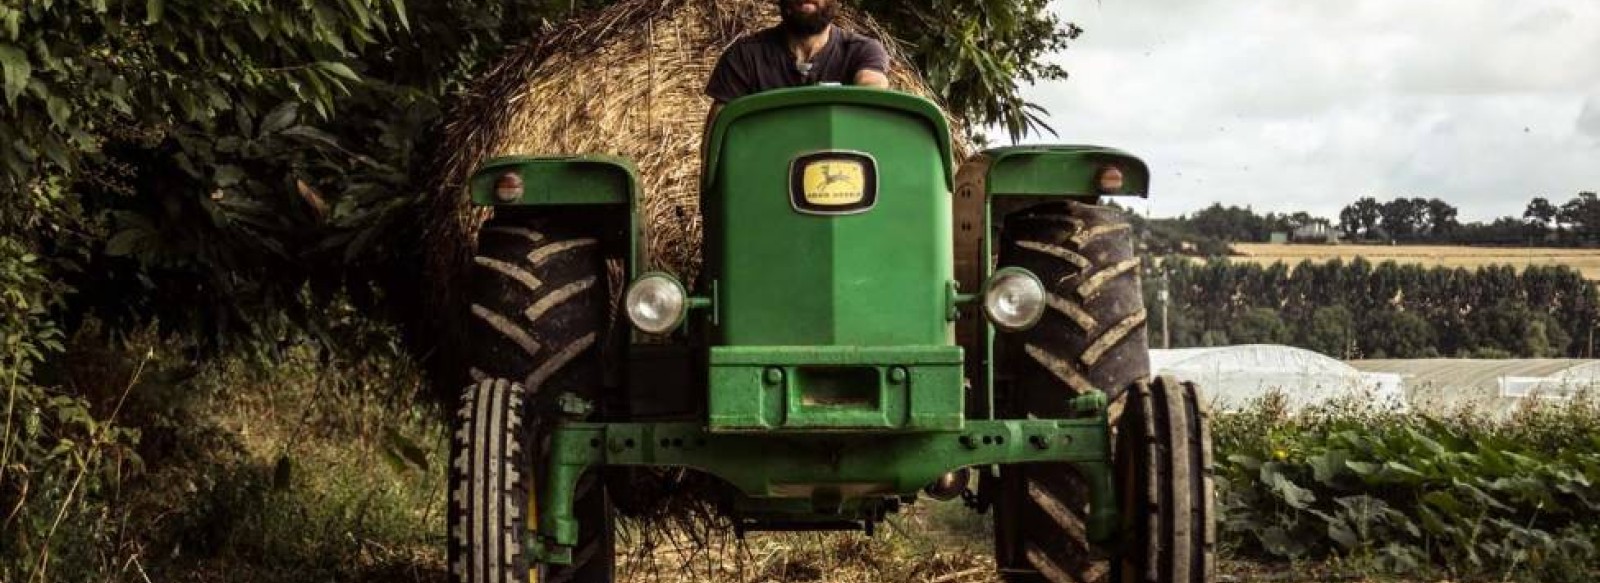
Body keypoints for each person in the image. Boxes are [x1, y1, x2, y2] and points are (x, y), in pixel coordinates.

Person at [703, 0, 890, 131]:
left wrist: (869, 92)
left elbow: (872, 86)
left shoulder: (861, 51)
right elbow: (718, 132)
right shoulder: (744, 56)